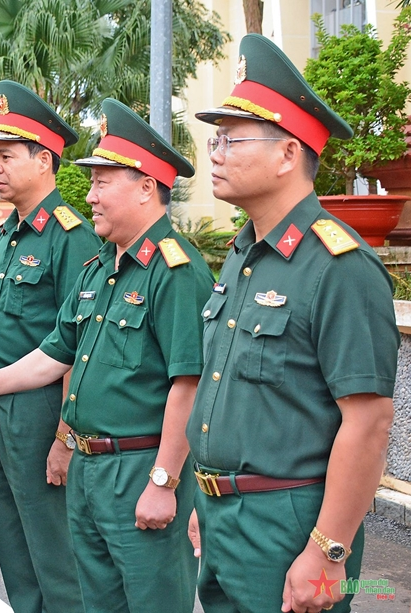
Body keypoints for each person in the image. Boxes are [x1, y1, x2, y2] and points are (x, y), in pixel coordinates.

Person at [0, 98, 213, 613]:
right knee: (96, 601)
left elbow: (188, 385)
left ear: (147, 187)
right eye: (92, 182)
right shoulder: (100, 269)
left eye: (102, 182)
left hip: (139, 466)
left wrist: (163, 481)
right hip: (92, 470)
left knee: (151, 599)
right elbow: (54, 354)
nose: (91, 195)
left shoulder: (176, 271)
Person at [187, 33, 399, 613]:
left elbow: (370, 422)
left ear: (287, 154)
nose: (216, 152)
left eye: (233, 139)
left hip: (291, 526)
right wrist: (207, 500)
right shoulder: (242, 255)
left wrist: (328, 552)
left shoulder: (341, 267)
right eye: (216, 138)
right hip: (223, 517)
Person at [0, 79, 102, 613]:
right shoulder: (8, 234)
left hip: (40, 413)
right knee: (14, 548)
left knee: (56, 556)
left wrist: (65, 436)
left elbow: (79, 346)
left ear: (44, 159)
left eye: (6, 156)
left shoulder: (71, 237)